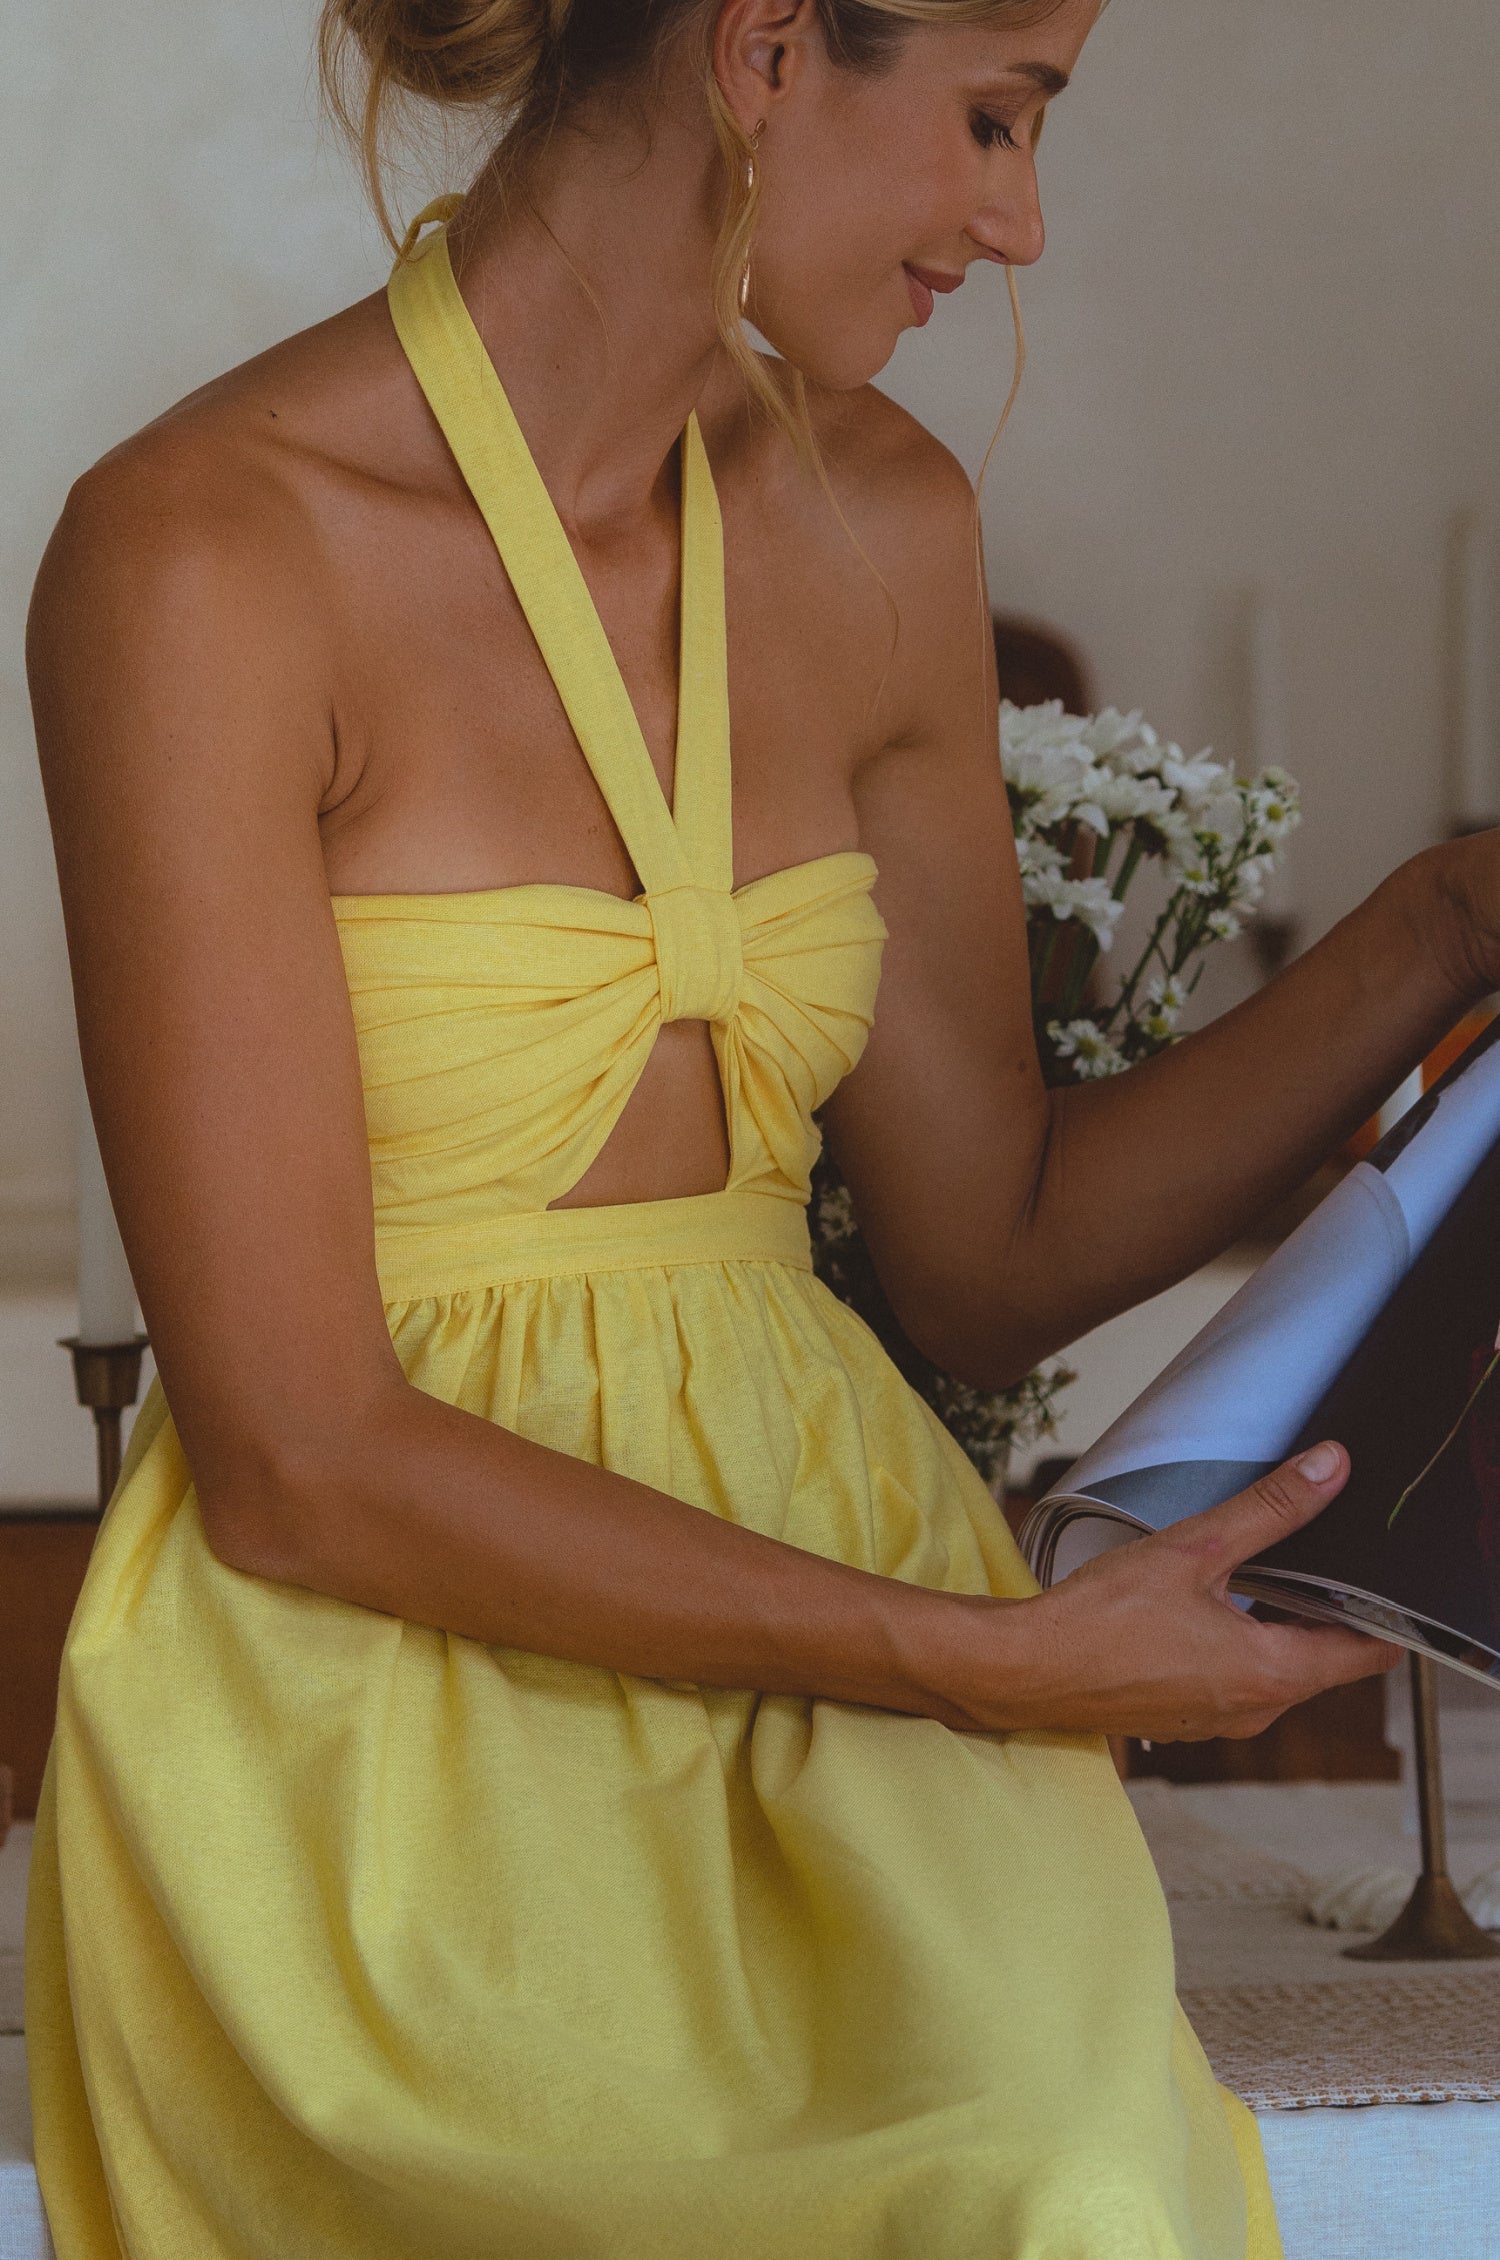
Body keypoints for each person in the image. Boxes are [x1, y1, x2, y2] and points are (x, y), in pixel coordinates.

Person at [25, 0, 1497, 2251]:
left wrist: (1445, 924)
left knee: (1059, 2181)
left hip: (868, 1657)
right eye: (994, 119)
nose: (1018, 224)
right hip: (374, 1707)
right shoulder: (199, 553)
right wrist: (990, 1661)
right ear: (771, 48)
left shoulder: (885, 519)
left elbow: (992, 1246)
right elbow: (300, 1456)